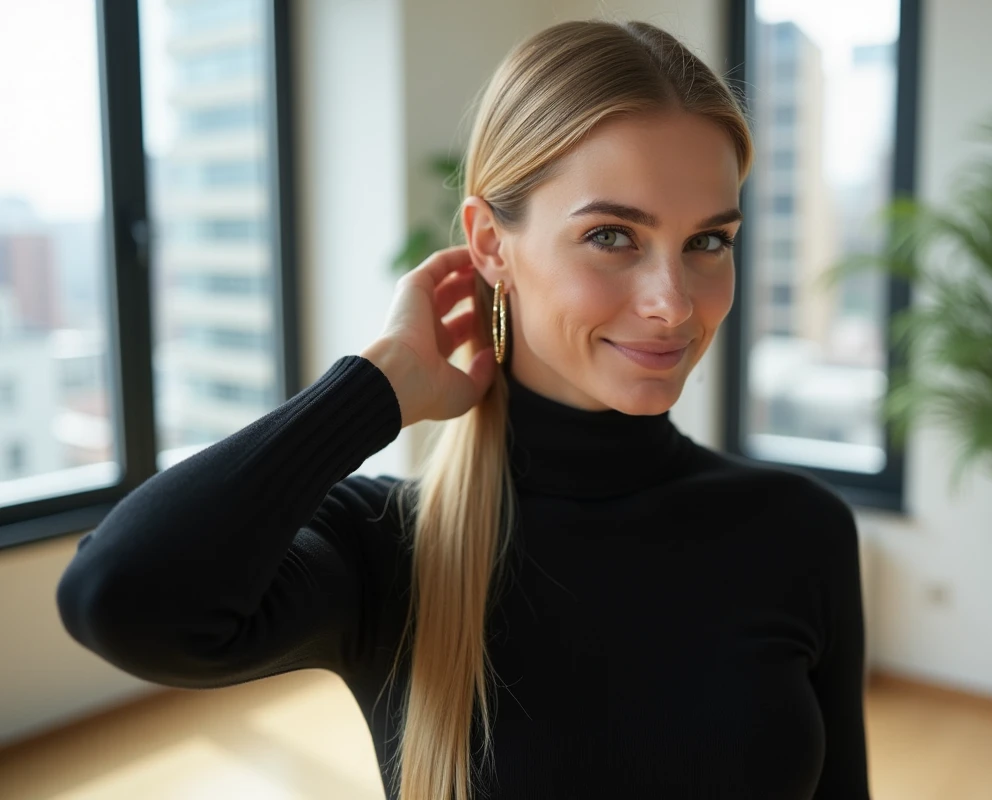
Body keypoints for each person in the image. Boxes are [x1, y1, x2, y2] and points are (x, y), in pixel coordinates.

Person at [55, 18, 869, 800]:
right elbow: (117, 598)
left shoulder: (801, 529)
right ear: (488, 244)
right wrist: (374, 388)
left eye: (708, 241)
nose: (674, 304)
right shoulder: (393, 549)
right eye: (612, 236)